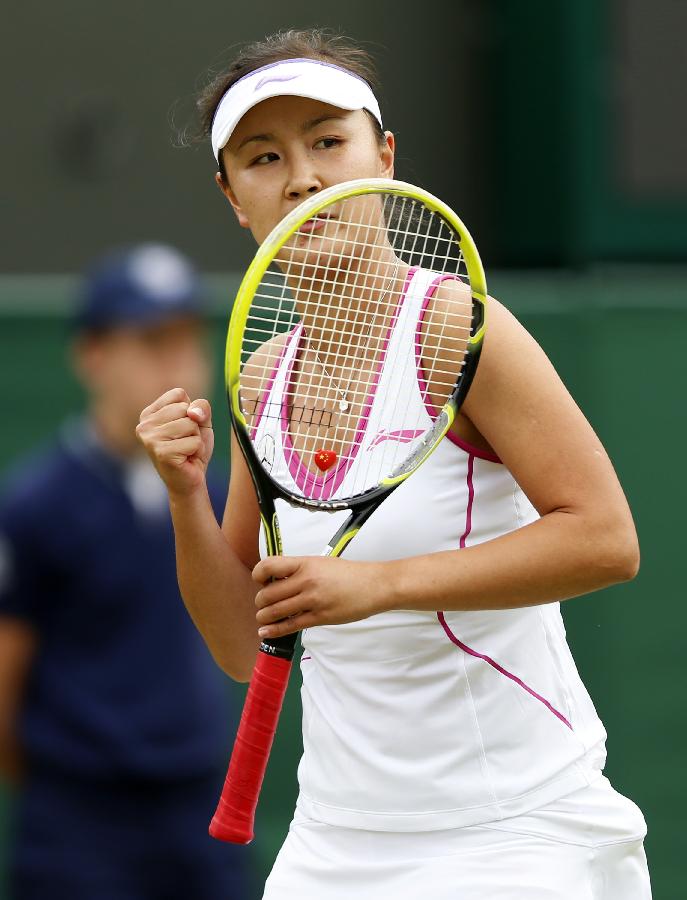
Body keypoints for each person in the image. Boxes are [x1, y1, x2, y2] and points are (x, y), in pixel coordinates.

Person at [137, 30, 652, 900]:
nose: (302, 177)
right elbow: (238, 643)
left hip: (517, 829)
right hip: (335, 843)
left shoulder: (460, 328)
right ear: (233, 197)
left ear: (384, 154)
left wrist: (382, 586)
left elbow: (605, 540)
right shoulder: (259, 379)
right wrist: (185, 498)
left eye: (327, 141)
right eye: (264, 157)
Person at [0, 244, 251, 900]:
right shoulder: (35, 506)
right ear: (93, 357)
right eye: (149, 340)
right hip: (79, 821)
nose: (176, 361)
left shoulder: (223, 497)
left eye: (184, 338)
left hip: (202, 806)